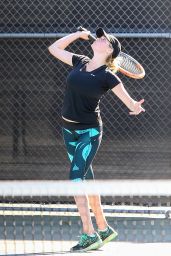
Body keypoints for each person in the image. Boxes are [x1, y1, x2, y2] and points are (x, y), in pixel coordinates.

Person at [48, 27, 145, 252]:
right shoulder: (80, 61)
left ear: (109, 51)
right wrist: (77, 35)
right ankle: (103, 228)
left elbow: (129, 102)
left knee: (75, 178)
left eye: (105, 40)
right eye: (98, 36)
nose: (99, 38)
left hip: (89, 133)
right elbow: (54, 48)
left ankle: (88, 233)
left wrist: (135, 107)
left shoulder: (108, 77)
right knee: (87, 178)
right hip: (68, 130)